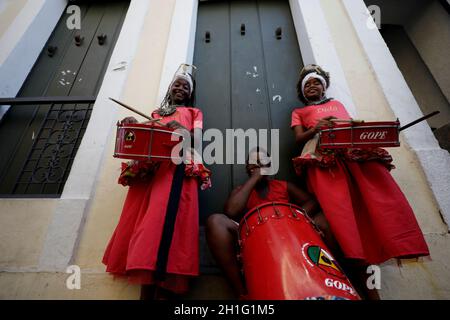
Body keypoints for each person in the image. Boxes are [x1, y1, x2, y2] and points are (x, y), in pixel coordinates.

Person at [290, 64, 430, 299]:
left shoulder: (338, 105)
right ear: (302, 92)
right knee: (338, 215)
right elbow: (299, 138)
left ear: (324, 87)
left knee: (368, 207)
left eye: (316, 82)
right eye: (307, 85)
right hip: (322, 156)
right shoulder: (299, 112)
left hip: (350, 155)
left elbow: (351, 125)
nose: (312, 87)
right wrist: (317, 127)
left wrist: (352, 125)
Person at [102, 64, 211, 300]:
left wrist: (183, 129)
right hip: (154, 172)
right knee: (148, 228)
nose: (180, 88)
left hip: (177, 169)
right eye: (177, 84)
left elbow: (198, 139)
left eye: (185, 86)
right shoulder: (156, 114)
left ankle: (163, 287)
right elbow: (143, 140)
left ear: (190, 93)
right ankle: (146, 283)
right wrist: (134, 125)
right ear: (170, 88)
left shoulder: (194, 113)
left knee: (167, 225)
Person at [206, 148, 324, 298]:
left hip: (286, 235)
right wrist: (255, 178)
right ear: (248, 168)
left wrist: (291, 215)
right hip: (254, 237)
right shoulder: (242, 190)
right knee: (215, 220)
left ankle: (327, 276)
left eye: (263, 163)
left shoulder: (283, 186)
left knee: (323, 219)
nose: (259, 166)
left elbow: (312, 201)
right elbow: (230, 212)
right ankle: (241, 291)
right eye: (254, 164)